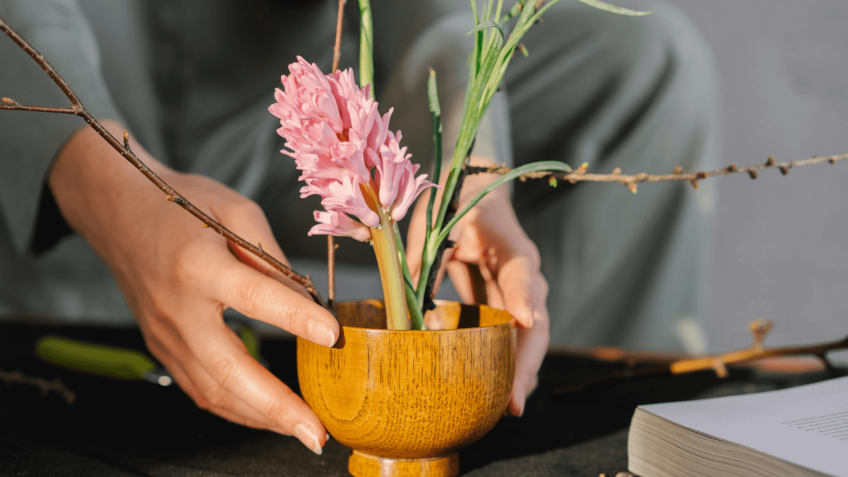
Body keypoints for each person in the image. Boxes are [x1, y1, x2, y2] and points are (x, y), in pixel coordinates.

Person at [0, 0, 717, 455]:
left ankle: (581, 416)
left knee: (648, 63)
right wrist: (111, 188)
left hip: (301, 70)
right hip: (77, 60)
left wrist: (467, 159)